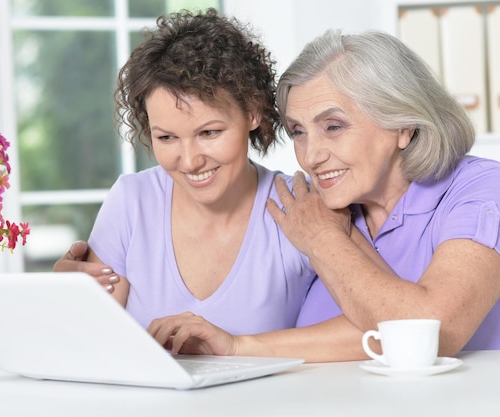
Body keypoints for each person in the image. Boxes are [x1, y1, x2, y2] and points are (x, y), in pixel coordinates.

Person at [144, 29, 500, 361]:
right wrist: (236, 345)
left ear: (403, 125)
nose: (311, 156)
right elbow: (357, 337)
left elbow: (435, 333)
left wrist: (324, 239)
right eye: (298, 131)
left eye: (333, 126)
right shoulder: (326, 205)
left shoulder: (479, 188)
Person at [54, 8, 317, 336]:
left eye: (209, 133)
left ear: (252, 112)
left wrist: (237, 347)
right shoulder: (132, 202)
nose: (190, 161)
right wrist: (65, 300)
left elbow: (366, 330)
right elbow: (90, 338)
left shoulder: (301, 207)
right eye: (167, 137)